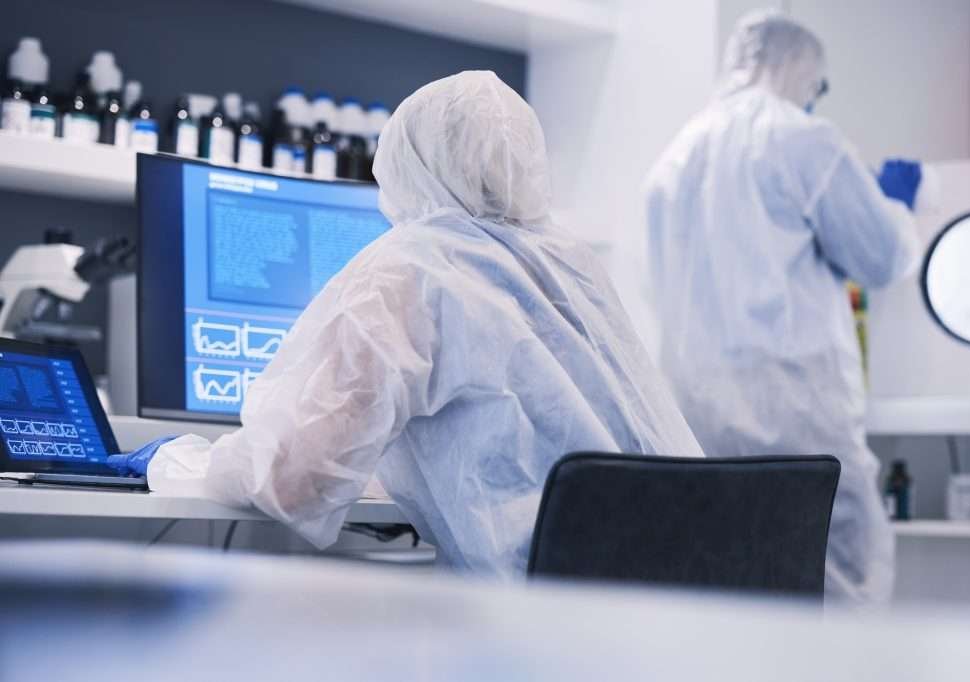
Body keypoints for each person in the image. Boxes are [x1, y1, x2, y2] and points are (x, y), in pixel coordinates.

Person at [109, 70, 704, 577]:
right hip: (685, 608)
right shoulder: (573, 265)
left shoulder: (415, 265)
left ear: (404, 164)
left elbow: (292, 479)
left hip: (555, 635)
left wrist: (173, 462)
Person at [643, 10, 922, 604]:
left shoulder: (672, 157)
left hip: (698, 424)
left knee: (731, 592)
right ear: (802, 67)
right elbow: (882, 257)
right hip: (798, 418)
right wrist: (897, 207)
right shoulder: (803, 139)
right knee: (842, 584)